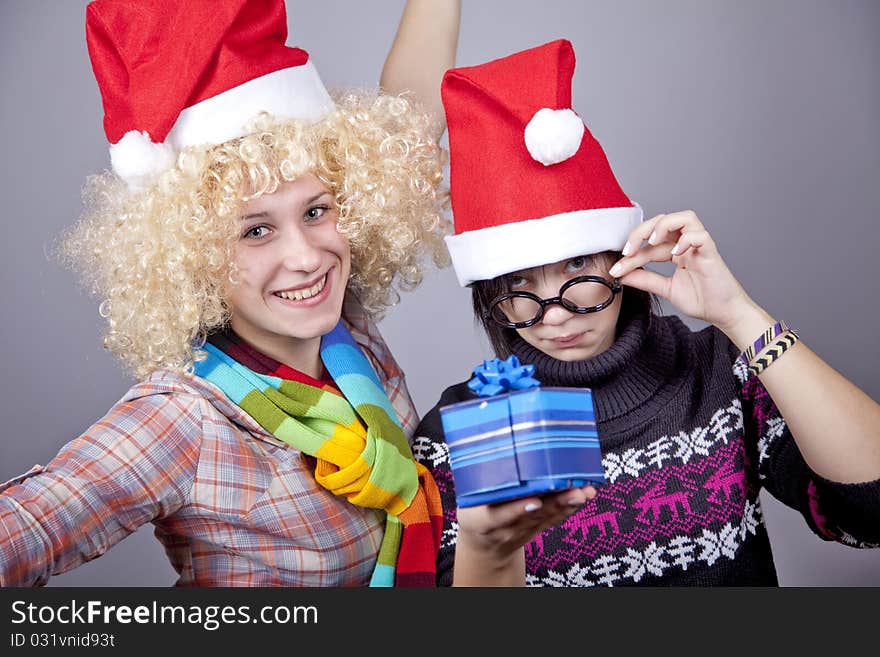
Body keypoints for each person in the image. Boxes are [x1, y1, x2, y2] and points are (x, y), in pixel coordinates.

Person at [0, 0, 452, 588]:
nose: (307, 255)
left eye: (316, 211)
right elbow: (28, 527)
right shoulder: (184, 417)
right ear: (189, 253)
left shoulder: (343, 328)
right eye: (255, 230)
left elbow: (409, 118)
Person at [411, 38, 880, 586]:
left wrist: (740, 316)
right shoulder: (457, 433)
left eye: (577, 266)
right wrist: (489, 550)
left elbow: (868, 514)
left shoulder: (716, 370)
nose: (554, 314)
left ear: (622, 253)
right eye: (517, 282)